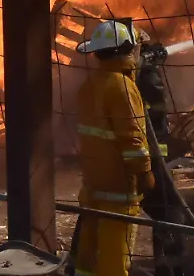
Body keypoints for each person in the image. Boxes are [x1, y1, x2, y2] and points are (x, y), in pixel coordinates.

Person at [73, 19, 154, 276]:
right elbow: (131, 138)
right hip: (120, 189)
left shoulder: (91, 84)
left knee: (88, 255)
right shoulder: (123, 87)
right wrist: (144, 172)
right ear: (126, 49)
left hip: (94, 185)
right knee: (115, 258)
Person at [134, 32, 186, 276]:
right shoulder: (144, 75)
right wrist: (150, 69)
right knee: (170, 208)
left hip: (128, 155)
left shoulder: (114, 76)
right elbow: (156, 110)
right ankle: (170, 270)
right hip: (148, 154)